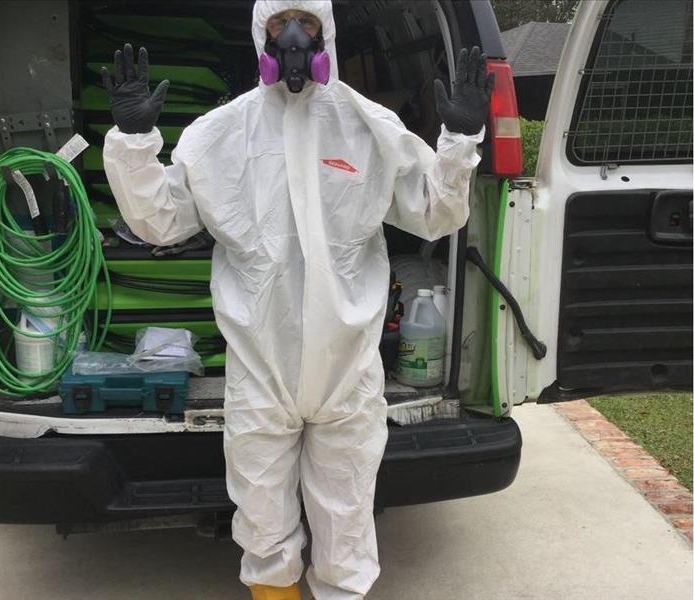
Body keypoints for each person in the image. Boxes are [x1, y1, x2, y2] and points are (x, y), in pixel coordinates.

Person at [101, 1, 493, 598]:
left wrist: (459, 141)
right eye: (282, 22)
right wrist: (134, 144)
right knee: (261, 519)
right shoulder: (222, 133)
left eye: (307, 23)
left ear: (327, 32)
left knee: (348, 515)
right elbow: (161, 220)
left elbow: (435, 212)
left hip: (345, 366)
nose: (293, 37)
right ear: (260, 32)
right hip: (262, 364)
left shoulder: (367, 125)